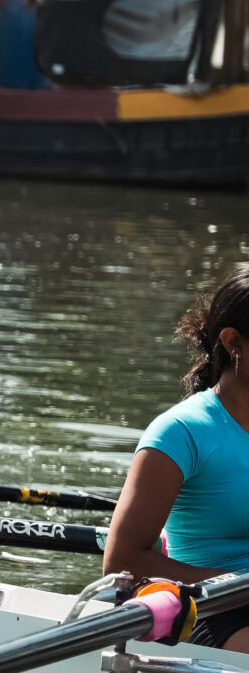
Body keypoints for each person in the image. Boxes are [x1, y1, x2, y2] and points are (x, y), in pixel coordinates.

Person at [101, 264, 249, 652]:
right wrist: (238, 584)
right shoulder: (183, 432)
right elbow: (121, 563)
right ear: (235, 342)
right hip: (205, 606)